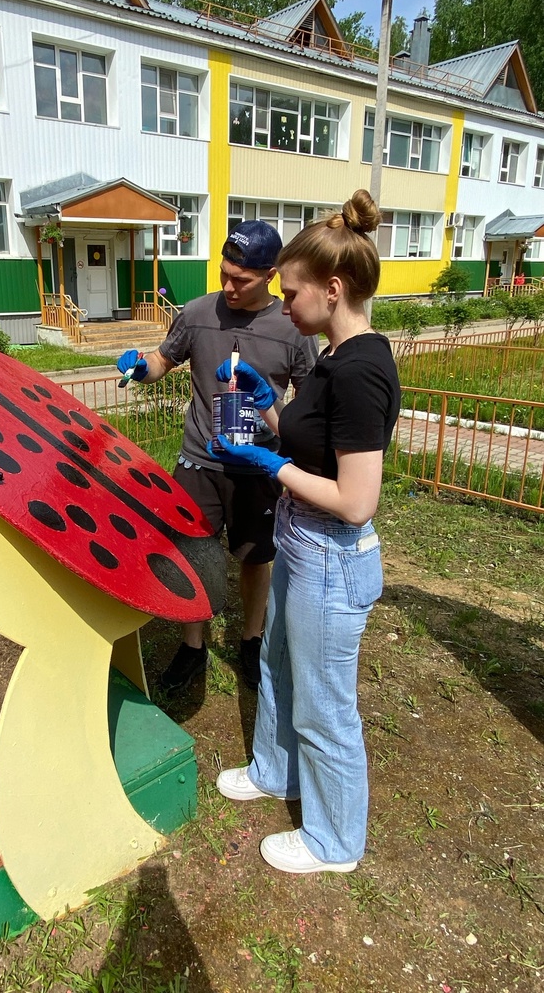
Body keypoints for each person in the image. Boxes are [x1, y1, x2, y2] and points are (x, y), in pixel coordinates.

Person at [208, 190, 401, 875]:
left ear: (334, 288)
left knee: (324, 707)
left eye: (291, 295)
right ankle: (274, 771)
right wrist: (267, 407)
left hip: (330, 557)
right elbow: (304, 433)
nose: (284, 307)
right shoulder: (330, 358)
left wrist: (272, 465)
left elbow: (355, 500)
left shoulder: (363, 370)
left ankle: (334, 843)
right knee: (276, 669)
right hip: (300, 543)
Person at [116, 221, 318, 693]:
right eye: (224, 273)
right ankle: (192, 647)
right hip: (198, 464)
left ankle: (251, 640)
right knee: (191, 553)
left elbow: (307, 409)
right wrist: (142, 367)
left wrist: (288, 451)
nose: (228, 286)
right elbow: (165, 360)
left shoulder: (293, 328)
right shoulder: (197, 312)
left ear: (269, 274)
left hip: (259, 467)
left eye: (241, 279)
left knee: (255, 557)